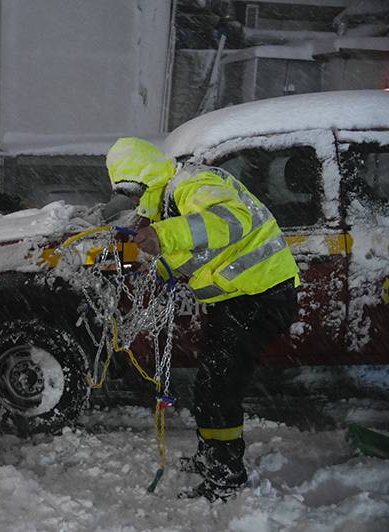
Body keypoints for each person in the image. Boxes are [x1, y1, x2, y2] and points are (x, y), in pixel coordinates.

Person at [105, 137, 299, 502]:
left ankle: (226, 476)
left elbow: (231, 221)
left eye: (133, 193)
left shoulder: (192, 185)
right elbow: (207, 250)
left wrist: (164, 235)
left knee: (218, 387)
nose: (133, 203)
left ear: (145, 178)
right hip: (239, 298)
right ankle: (212, 457)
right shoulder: (172, 199)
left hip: (260, 295)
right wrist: (164, 265)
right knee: (211, 385)